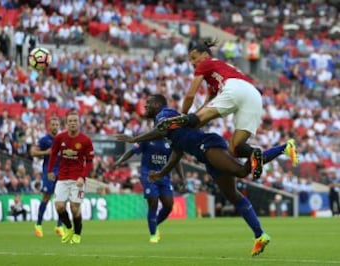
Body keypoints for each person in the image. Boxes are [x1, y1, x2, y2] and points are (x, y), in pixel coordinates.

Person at [116, 94, 269, 256]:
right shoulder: (170, 129)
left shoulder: (164, 114)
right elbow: (176, 155)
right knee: (234, 196)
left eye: (148, 103)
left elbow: (161, 130)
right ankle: (260, 235)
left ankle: (256, 152)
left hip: (207, 145)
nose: (145, 106)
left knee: (241, 171)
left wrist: (135, 139)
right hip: (205, 156)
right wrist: (161, 173)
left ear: (157, 104)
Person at [156, 39, 298, 173]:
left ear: (205, 55)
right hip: (254, 95)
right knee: (235, 149)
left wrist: (183, 115)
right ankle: (264, 151)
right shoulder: (218, 71)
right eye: (190, 60)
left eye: (194, 58)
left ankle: (177, 123)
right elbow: (207, 105)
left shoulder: (205, 64)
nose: (192, 63)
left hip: (234, 88)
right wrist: (194, 120)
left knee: (197, 119)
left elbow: (190, 95)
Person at [113, 139, 184, 243]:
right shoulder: (147, 140)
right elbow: (132, 151)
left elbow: (176, 160)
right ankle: (153, 235)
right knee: (153, 202)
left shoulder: (170, 141)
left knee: (168, 205)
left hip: (164, 178)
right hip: (149, 176)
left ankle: (154, 224)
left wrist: (182, 177)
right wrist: (120, 160)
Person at [48, 110, 94, 244]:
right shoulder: (59, 138)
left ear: (79, 123)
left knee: (75, 208)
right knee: (59, 206)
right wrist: (50, 170)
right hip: (62, 177)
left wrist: (82, 177)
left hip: (77, 179)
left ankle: (77, 234)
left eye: (75, 121)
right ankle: (68, 228)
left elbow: (90, 161)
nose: (72, 123)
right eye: (70, 121)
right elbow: (53, 154)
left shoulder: (85, 140)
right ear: (66, 123)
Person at [30, 116, 63, 238]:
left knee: (62, 199)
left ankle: (59, 226)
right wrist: (45, 152)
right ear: (49, 126)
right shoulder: (44, 140)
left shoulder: (63, 139)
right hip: (49, 172)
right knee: (46, 197)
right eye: (52, 124)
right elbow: (32, 152)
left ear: (59, 126)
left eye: (56, 124)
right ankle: (38, 224)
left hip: (61, 172)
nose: (55, 126)